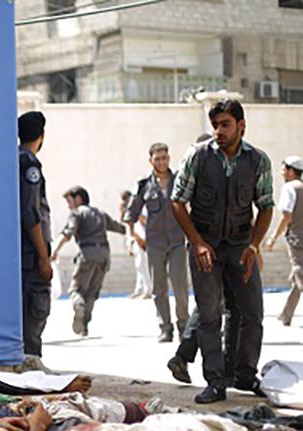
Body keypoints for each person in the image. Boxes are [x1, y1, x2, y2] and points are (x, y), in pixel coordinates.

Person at [171, 100, 274, 404]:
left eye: (225, 124)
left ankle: (245, 374)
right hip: (206, 246)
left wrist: (254, 245)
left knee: (252, 313)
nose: (218, 131)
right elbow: (178, 201)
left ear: (241, 126)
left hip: (241, 247)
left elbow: (266, 206)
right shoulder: (197, 156)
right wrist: (197, 242)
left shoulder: (258, 160)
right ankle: (215, 382)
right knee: (209, 315)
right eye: (215, 125)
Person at [125, 143, 189, 342]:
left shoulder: (180, 181)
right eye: (157, 159)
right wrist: (132, 237)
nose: (161, 162)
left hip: (177, 240)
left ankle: (184, 326)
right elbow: (131, 214)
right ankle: (165, 328)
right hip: (154, 243)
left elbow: (192, 207)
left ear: (169, 159)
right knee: (158, 288)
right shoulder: (143, 185)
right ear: (150, 161)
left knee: (179, 283)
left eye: (164, 158)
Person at [51, 186, 126, 336]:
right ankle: (84, 326)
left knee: (76, 290)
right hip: (104, 255)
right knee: (92, 292)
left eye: (69, 201)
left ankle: (78, 306)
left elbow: (68, 232)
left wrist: (55, 251)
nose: (69, 205)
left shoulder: (77, 213)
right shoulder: (100, 213)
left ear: (78, 198)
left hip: (87, 254)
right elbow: (121, 228)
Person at [17, 111, 53, 365]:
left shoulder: (14, 159)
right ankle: (31, 367)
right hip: (31, 255)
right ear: (41, 135)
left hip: (21, 255)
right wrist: (43, 257)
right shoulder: (29, 164)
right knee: (35, 312)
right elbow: (30, 214)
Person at [266, 155, 303, 326]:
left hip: (296, 240)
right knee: (297, 276)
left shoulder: (289, 188)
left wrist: (273, 237)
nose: (282, 172)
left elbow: (286, 216)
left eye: (284, 169)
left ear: (291, 171)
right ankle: (286, 315)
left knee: (299, 272)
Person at [123, 189, 152, 300]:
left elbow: (146, 221)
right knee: (139, 265)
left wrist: (137, 215)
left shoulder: (142, 208)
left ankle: (148, 290)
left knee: (144, 265)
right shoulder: (131, 210)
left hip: (143, 240)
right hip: (136, 239)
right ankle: (139, 289)